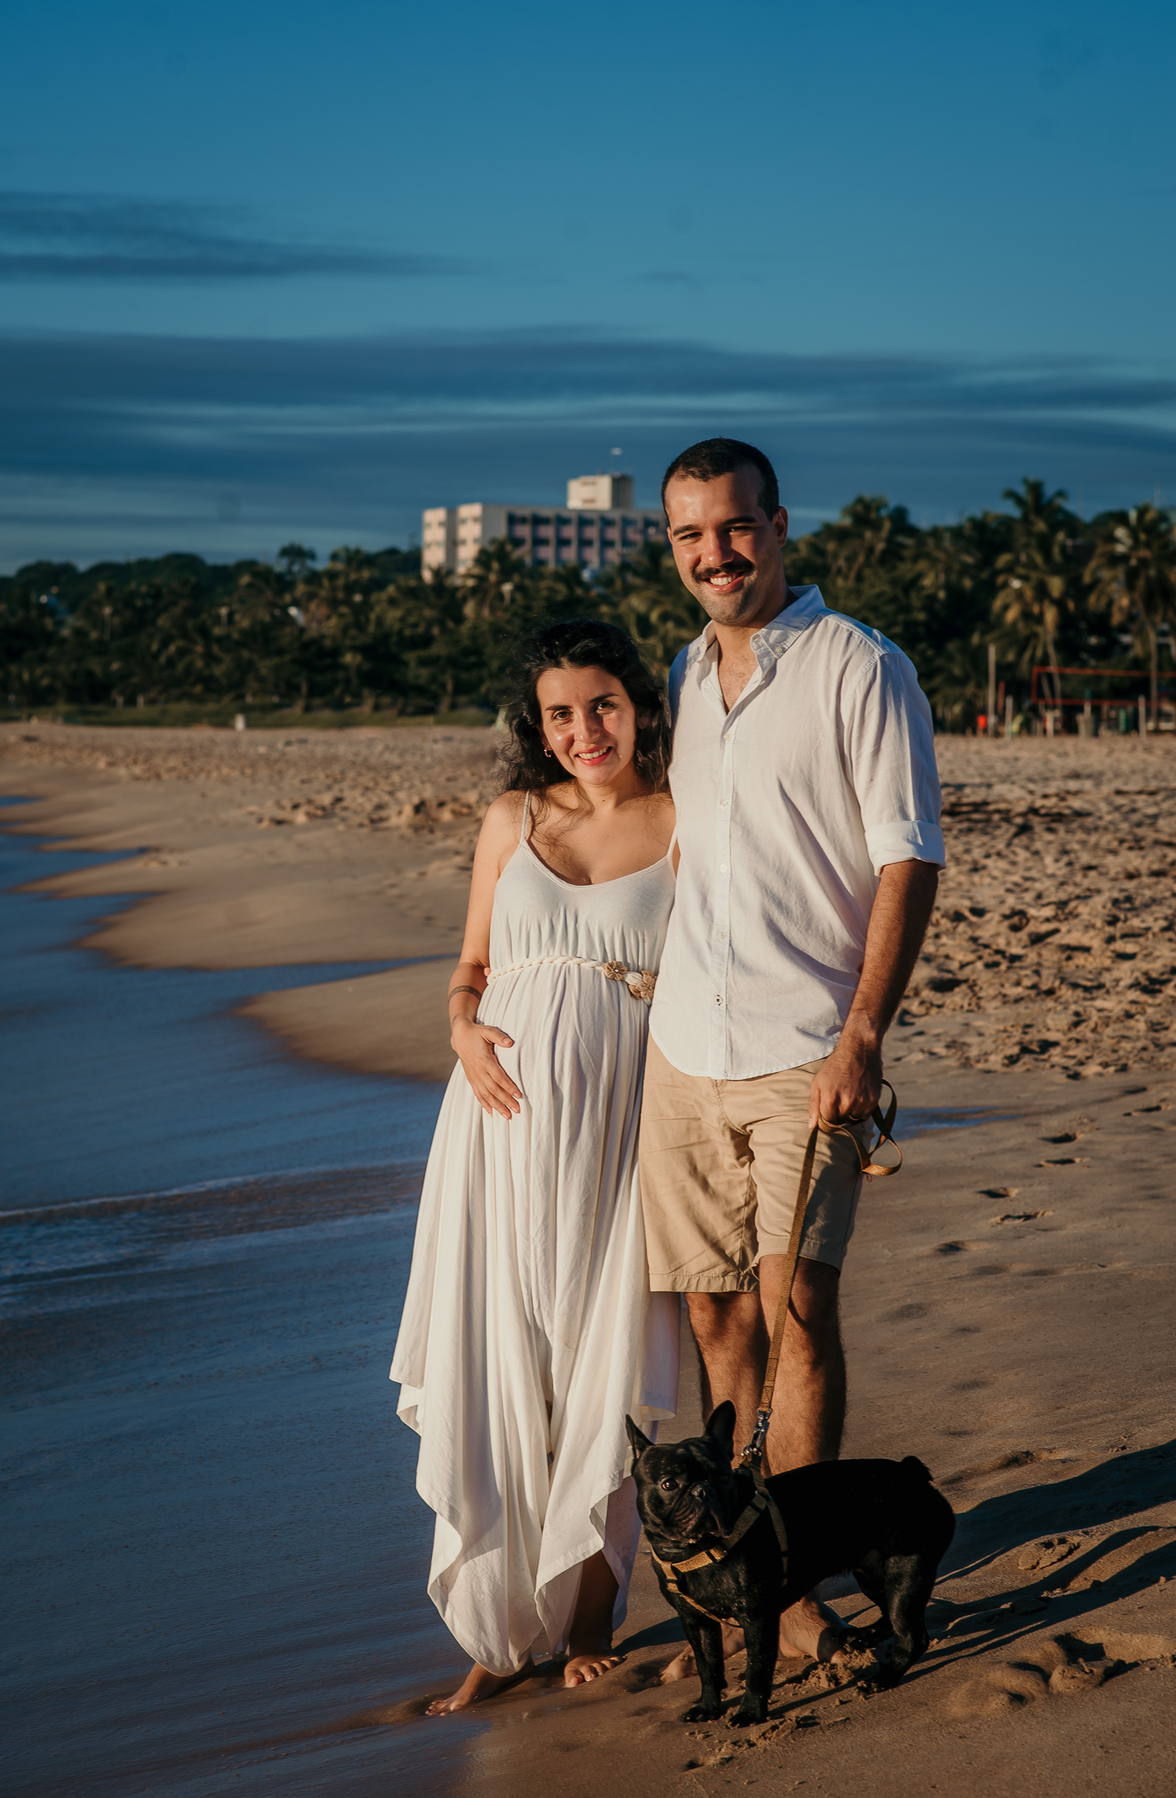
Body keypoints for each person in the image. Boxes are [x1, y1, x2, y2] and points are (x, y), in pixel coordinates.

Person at [638, 437, 943, 1671]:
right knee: (718, 1314)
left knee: (797, 1308)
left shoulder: (859, 667)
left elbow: (907, 855)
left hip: (803, 1049)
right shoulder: (679, 674)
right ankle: (763, 1577)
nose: (716, 553)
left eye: (736, 527)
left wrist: (864, 1032)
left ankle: (798, 1580)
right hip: (681, 1051)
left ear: (778, 525)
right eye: (690, 535)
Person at [392, 619, 680, 1714]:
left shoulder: (687, 817)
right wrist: (463, 1028)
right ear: (537, 723)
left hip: (619, 1131)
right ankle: (504, 1629)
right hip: (495, 1134)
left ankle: (594, 1617)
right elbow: (469, 966)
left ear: (639, 705)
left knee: (600, 1370)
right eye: (560, 712)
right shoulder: (511, 818)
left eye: (601, 704)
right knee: (498, 1360)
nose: (582, 729)